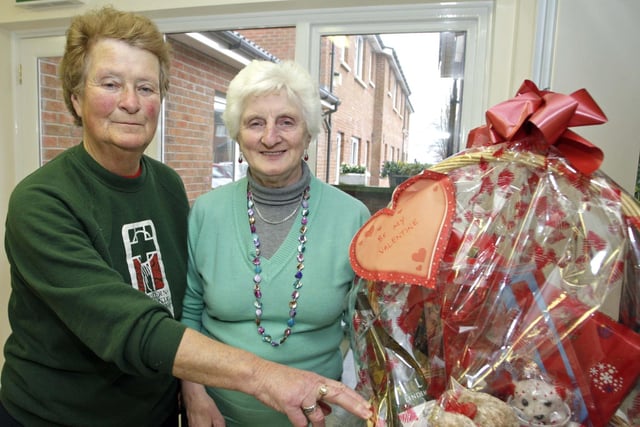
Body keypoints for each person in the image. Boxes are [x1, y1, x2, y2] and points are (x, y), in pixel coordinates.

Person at [0, 7, 372, 427]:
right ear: (74, 98)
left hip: (156, 412)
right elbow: (132, 326)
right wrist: (265, 377)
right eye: (110, 84)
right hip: (60, 417)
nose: (130, 102)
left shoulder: (166, 186)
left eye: (146, 87)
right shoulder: (42, 202)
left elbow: (177, 302)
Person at [180, 59, 371, 426]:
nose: (270, 137)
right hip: (219, 417)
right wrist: (193, 393)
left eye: (286, 121)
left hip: (320, 419)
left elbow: (366, 330)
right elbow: (190, 313)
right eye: (255, 123)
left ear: (309, 134)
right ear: (237, 134)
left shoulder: (352, 217)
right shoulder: (206, 212)